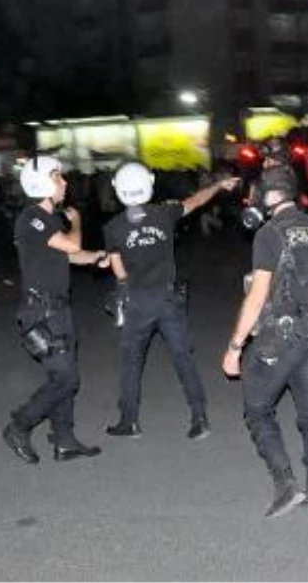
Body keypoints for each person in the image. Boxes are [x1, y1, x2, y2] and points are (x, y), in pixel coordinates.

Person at [221, 166, 308, 518]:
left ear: (269, 196)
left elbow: (257, 295)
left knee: (258, 408)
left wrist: (235, 347)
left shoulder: (269, 234)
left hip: (281, 337)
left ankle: (285, 484)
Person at [103, 162, 237, 440]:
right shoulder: (164, 213)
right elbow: (196, 201)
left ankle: (130, 420)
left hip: (138, 301)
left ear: (118, 189)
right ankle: (199, 416)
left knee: (131, 361)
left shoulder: (113, 227)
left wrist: (124, 288)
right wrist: (217, 185)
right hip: (167, 298)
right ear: (149, 183)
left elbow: (118, 266)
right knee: (182, 358)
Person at [1, 157, 109, 465]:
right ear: (43, 183)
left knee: (62, 375)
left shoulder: (45, 222)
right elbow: (72, 246)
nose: (65, 183)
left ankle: (65, 441)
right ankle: (18, 426)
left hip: (57, 310)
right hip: (43, 312)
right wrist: (76, 222)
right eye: (58, 178)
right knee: (66, 380)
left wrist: (96, 257)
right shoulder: (33, 217)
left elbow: (70, 256)